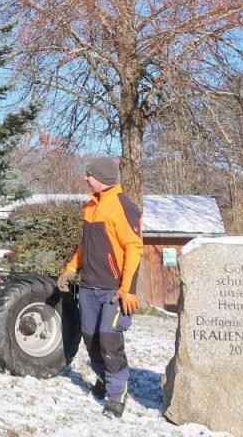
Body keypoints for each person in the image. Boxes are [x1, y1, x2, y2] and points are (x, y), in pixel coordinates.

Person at [57, 157, 143, 419]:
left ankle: (117, 396)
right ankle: (104, 379)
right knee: (90, 338)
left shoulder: (123, 206)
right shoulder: (90, 206)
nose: (85, 179)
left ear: (102, 178)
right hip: (89, 287)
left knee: (109, 340)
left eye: (89, 175)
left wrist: (127, 289)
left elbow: (134, 248)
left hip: (114, 291)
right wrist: (72, 267)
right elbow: (87, 246)